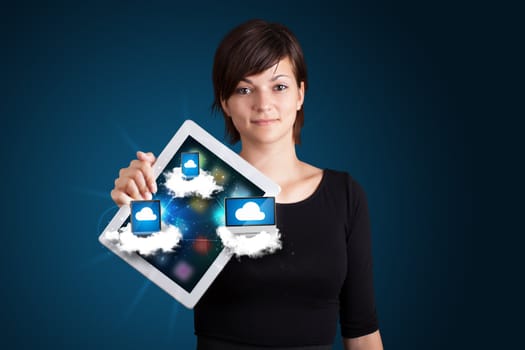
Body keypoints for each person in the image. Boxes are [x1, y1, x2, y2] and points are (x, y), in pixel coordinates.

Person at [111, 19, 383, 350]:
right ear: (225, 103)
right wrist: (135, 198)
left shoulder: (344, 195)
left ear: (301, 93)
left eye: (279, 86)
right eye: (244, 89)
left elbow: (363, 332)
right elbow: (142, 240)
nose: (263, 103)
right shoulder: (197, 191)